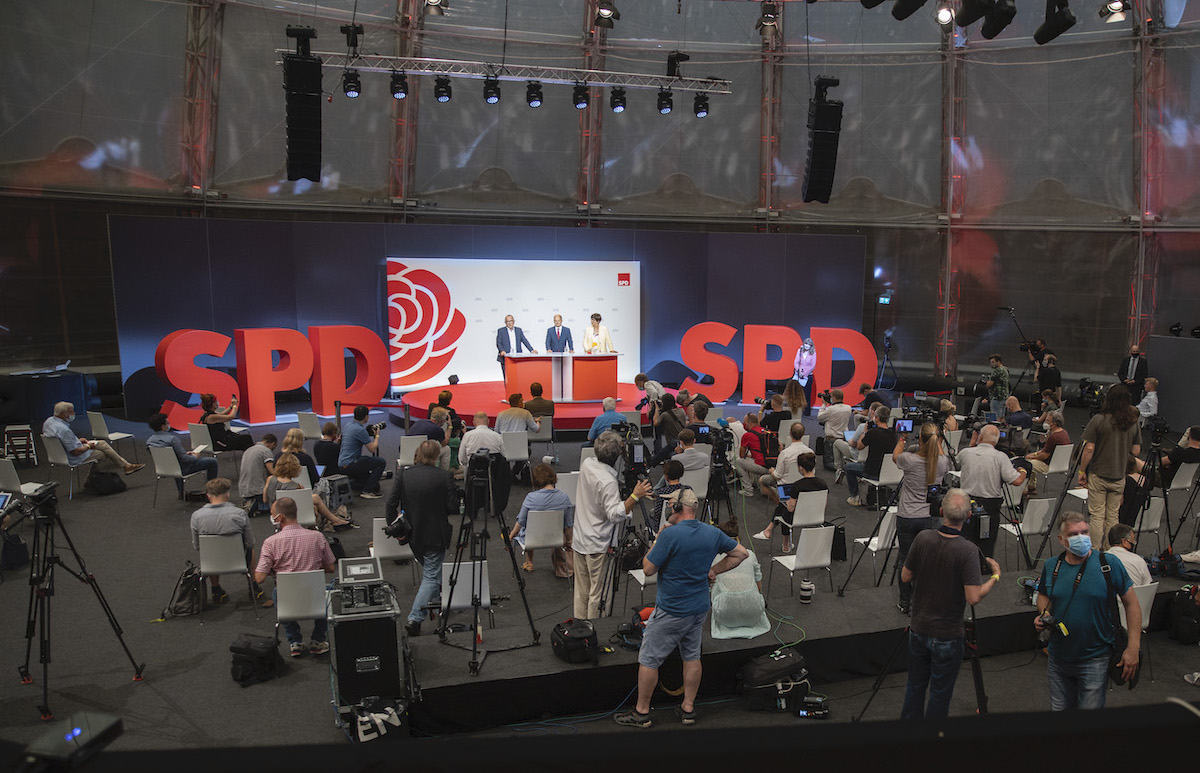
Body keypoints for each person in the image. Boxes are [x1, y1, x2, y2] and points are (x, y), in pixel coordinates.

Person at [613, 488, 747, 728]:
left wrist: (656, 541)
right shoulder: (711, 532)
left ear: (677, 508)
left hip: (672, 610)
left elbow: (647, 569)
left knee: (649, 659)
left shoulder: (669, 536)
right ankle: (688, 709)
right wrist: (714, 570)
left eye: (670, 504)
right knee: (692, 656)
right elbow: (741, 553)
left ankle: (642, 712)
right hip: (699, 608)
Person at [900, 488, 1001, 720]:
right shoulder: (967, 550)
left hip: (919, 628)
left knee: (914, 687)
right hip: (947, 634)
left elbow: (905, 577)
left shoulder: (923, 538)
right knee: (940, 693)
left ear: (941, 511)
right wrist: (994, 576)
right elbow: (973, 597)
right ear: (968, 517)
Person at [1035, 512, 1141, 710]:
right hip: (1058, 658)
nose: (1082, 538)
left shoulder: (1108, 564)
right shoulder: (1052, 566)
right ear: (1061, 540)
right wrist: (1044, 615)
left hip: (1095, 658)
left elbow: (1132, 604)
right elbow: (1044, 596)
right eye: (1074, 534)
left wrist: (1133, 647)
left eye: (1084, 532)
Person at [384, 439, 460, 637]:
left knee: (431, 573)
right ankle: (415, 619)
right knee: (431, 576)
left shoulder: (404, 475)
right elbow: (453, 508)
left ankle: (439, 605)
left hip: (412, 534)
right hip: (435, 534)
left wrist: (395, 527)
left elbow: (391, 503)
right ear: (437, 456)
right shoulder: (444, 476)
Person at [574, 430, 653, 620]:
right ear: (618, 455)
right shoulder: (607, 481)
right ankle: (596, 630)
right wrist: (635, 496)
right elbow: (614, 514)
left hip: (580, 539)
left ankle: (579, 629)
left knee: (582, 592)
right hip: (598, 544)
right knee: (598, 594)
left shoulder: (587, 464)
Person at [254, 497, 336, 658]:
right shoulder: (317, 537)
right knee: (331, 589)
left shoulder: (270, 543)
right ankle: (318, 640)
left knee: (277, 592)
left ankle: (295, 641)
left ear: (280, 517)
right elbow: (330, 567)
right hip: (315, 597)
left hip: (288, 601)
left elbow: (259, 578)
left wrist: (273, 569)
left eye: (272, 514)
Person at [894, 422, 953, 614]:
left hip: (908, 516)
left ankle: (905, 602)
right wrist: (937, 439)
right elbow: (940, 452)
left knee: (905, 558)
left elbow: (895, 456)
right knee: (929, 561)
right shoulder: (942, 463)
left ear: (920, 439)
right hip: (930, 516)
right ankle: (925, 601)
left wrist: (902, 438)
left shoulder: (908, 460)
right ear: (938, 441)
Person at [1078, 384, 1141, 550]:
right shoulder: (1133, 423)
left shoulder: (1098, 420)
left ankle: (1094, 550)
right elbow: (1136, 450)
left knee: (1097, 516)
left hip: (1099, 474)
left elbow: (1089, 449)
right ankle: (1111, 551)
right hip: (1119, 476)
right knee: (1113, 516)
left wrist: (1082, 470)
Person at [957, 424, 1026, 557]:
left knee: (964, 540)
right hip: (990, 507)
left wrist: (972, 442)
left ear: (980, 436)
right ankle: (985, 569)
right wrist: (1022, 471)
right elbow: (1017, 481)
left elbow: (955, 463)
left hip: (966, 504)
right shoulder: (1000, 457)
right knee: (986, 543)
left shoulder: (965, 452)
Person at [190, 477, 259, 605]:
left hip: (212, 563)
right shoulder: (240, 514)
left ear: (208, 495)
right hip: (238, 560)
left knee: (208, 552)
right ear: (227, 494)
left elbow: (197, 546)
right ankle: (254, 587)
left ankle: (216, 589)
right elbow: (250, 543)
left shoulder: (196, 516)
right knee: (251, 548)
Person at [43, 401, 145, 477]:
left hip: (58, 455)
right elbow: (76, 452)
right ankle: (93, 480)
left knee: (102, 444)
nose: (73, 413)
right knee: (102, 454)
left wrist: (77, 441)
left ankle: (126, 466)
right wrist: (88, 446)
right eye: (71, 411)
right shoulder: (64, 430)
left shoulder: (49, 422)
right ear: (63, 414)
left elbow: (63, 441)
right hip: (73, 456)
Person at [752, 452, 826, 553]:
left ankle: (785, 544)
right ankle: (768, 531)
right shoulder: (823, 484)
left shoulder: (797, 486)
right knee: (784, 506)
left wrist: (788, 503)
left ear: (800, 468)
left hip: (798, 519)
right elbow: (823, 504)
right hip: (816, 516)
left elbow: (791, 509)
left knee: (784, 508)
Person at [509, 463, 575, 575]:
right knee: (560, 529)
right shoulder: (564, 497)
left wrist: (510, 537)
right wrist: (569, 543)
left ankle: (529, 562)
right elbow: (568, 525)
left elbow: (520, 521)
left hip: (532, 539)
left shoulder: (531, 498)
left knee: (527, 527)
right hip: (556, 538)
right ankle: (563, 569)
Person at [263, 452, 354, 531]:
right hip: (294, 515)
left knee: (314, 499)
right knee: (315, 500)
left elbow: (265, 500)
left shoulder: (270, 479)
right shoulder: (296, 486)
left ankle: (333, 520)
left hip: (276, 515)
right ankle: (334, 521)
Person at [709, 518, 769, 640]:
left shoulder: (712, 558)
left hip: (725, 616)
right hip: (754, 614)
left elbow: (708, 587)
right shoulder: (750, 554)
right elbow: (758, 585)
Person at [146, 412, 217, 499]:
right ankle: (211, 492)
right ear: (163, 426)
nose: (169, 425)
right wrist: (194, 456)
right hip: (182, 468)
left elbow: (168, 456)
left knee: (177, 462)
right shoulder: (172, 439)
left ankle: (181, 493)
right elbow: (185, 459)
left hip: (165, 468)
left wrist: (183, 454)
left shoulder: (150, 441)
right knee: (212, 462)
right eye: (167, 423)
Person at [845, 406, 898, 508]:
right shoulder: (893, 434)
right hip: (886, 472)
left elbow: (859, 446)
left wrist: (864, 432)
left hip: (872, 472)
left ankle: (855, 497)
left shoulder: (872, 433)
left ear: (877, 418)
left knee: (848, 467)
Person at [759, 422, 814, 506]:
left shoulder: (785, 453)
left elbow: (777, 476)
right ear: (803, 434)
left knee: (762, 480)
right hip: (805, 483)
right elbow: (812, 471)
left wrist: (772, 471)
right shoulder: (810, 452)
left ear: (790, 433)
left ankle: (780, 503)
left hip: (785, 486)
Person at [339, 406, 387, 499]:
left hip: (342, 463)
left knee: (375, 485)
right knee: (381, 462)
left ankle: (348, 485)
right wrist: (377, 436)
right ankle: (368, 491)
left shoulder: (348, 425)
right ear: (366, 417)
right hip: (351, 463)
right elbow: (372, 449)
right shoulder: (360, 430)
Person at [1024, 411, 1070, 495]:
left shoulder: (1054, 437)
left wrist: (1032, 457)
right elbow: (1045, 450)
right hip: (1059, 463)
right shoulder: (1063, 433)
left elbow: (1044, 456)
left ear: (1054, 423)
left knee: (1026, 463)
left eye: (1048, 421)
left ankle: (1026, 489)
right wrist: (1034, 454)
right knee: (1030, 460)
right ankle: (1031, 487)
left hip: (1049, 465)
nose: (1045, 422)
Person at [819, 388, 855, 477]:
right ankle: (842, 464)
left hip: (831, 440)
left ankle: (842, 468)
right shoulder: (848, 408)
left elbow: (820, 417)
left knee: (827, 464)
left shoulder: (831, 409)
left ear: (834, 397)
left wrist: (824, 404)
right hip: (843, 438)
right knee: (839, 458)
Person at [238, 434, 277, 512]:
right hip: (259, 490)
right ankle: (259, 505)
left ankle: (252, 504)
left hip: (243, 489)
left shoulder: (248, 450)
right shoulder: (266, 451)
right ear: (273, 444)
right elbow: (272, 471)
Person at [736, 413, 769, 497]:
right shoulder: (766, 431)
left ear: (749, 423)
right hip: (773, 465)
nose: (744, 424)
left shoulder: (747, 435)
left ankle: (748, 490)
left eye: (745, 422)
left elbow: (741, 455)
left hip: (762, 466)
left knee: (738, 461)